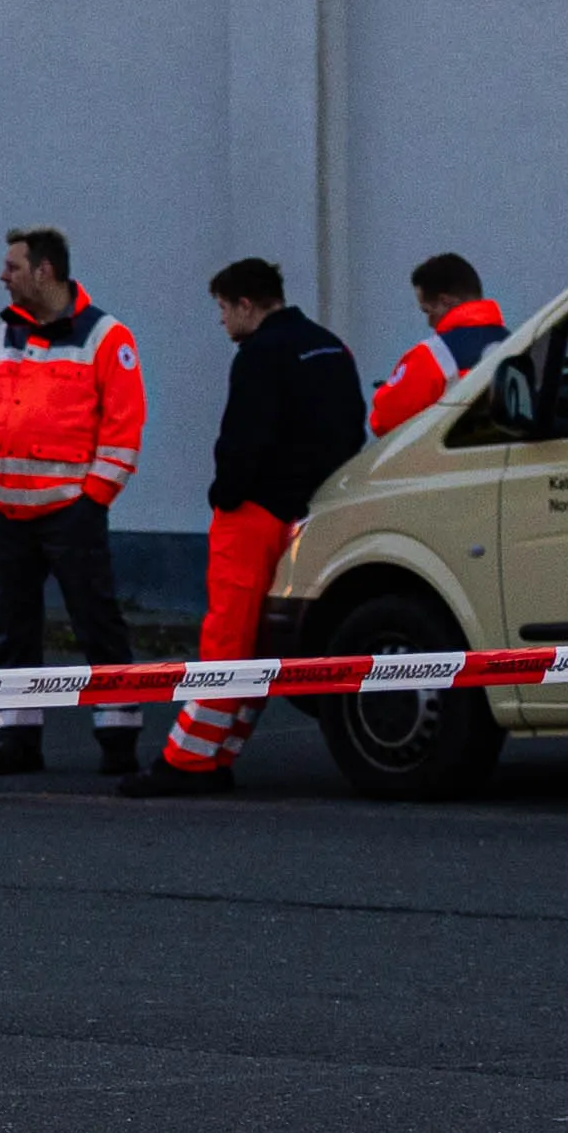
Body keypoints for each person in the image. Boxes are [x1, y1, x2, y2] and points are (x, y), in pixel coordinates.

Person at [134, 258, 369, 793]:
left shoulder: (260, 354)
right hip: (311, 511)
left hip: (255, 512)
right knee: (263, 642)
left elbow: (244, 438)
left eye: (222, 308)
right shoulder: (331, 347)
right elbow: (352, 426)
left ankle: (189, 761)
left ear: (246, 303)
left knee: (228, 638)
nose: (221, 321)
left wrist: (226, 493)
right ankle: (222, 747)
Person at [0, 227, 149, 775]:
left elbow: (124, 425)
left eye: (12, 267)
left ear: (44, 271)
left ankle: (118, 738)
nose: (2, 276)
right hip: (4, 507)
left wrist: (92, 500)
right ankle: (16, 740)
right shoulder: (2, 338)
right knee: (11, 628)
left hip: (69, 509)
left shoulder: (106, 337)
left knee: (97, 622)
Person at [368, 250, 514, 437]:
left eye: (427, 311)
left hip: (451, 461)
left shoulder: (432, 355)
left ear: (445, 302)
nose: (429, 322)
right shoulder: (517, 344)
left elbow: (384, 421)